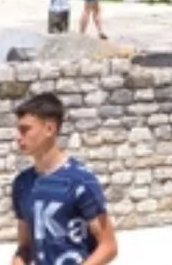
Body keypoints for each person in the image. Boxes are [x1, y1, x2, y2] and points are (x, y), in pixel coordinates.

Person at [10, 91, 117, 265]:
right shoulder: (22, 184)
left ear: (49, 129)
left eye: (25, 129)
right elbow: (25, 245)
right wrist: (18, 260)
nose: (18, 137)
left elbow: (108, 246)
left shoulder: (81, 181)